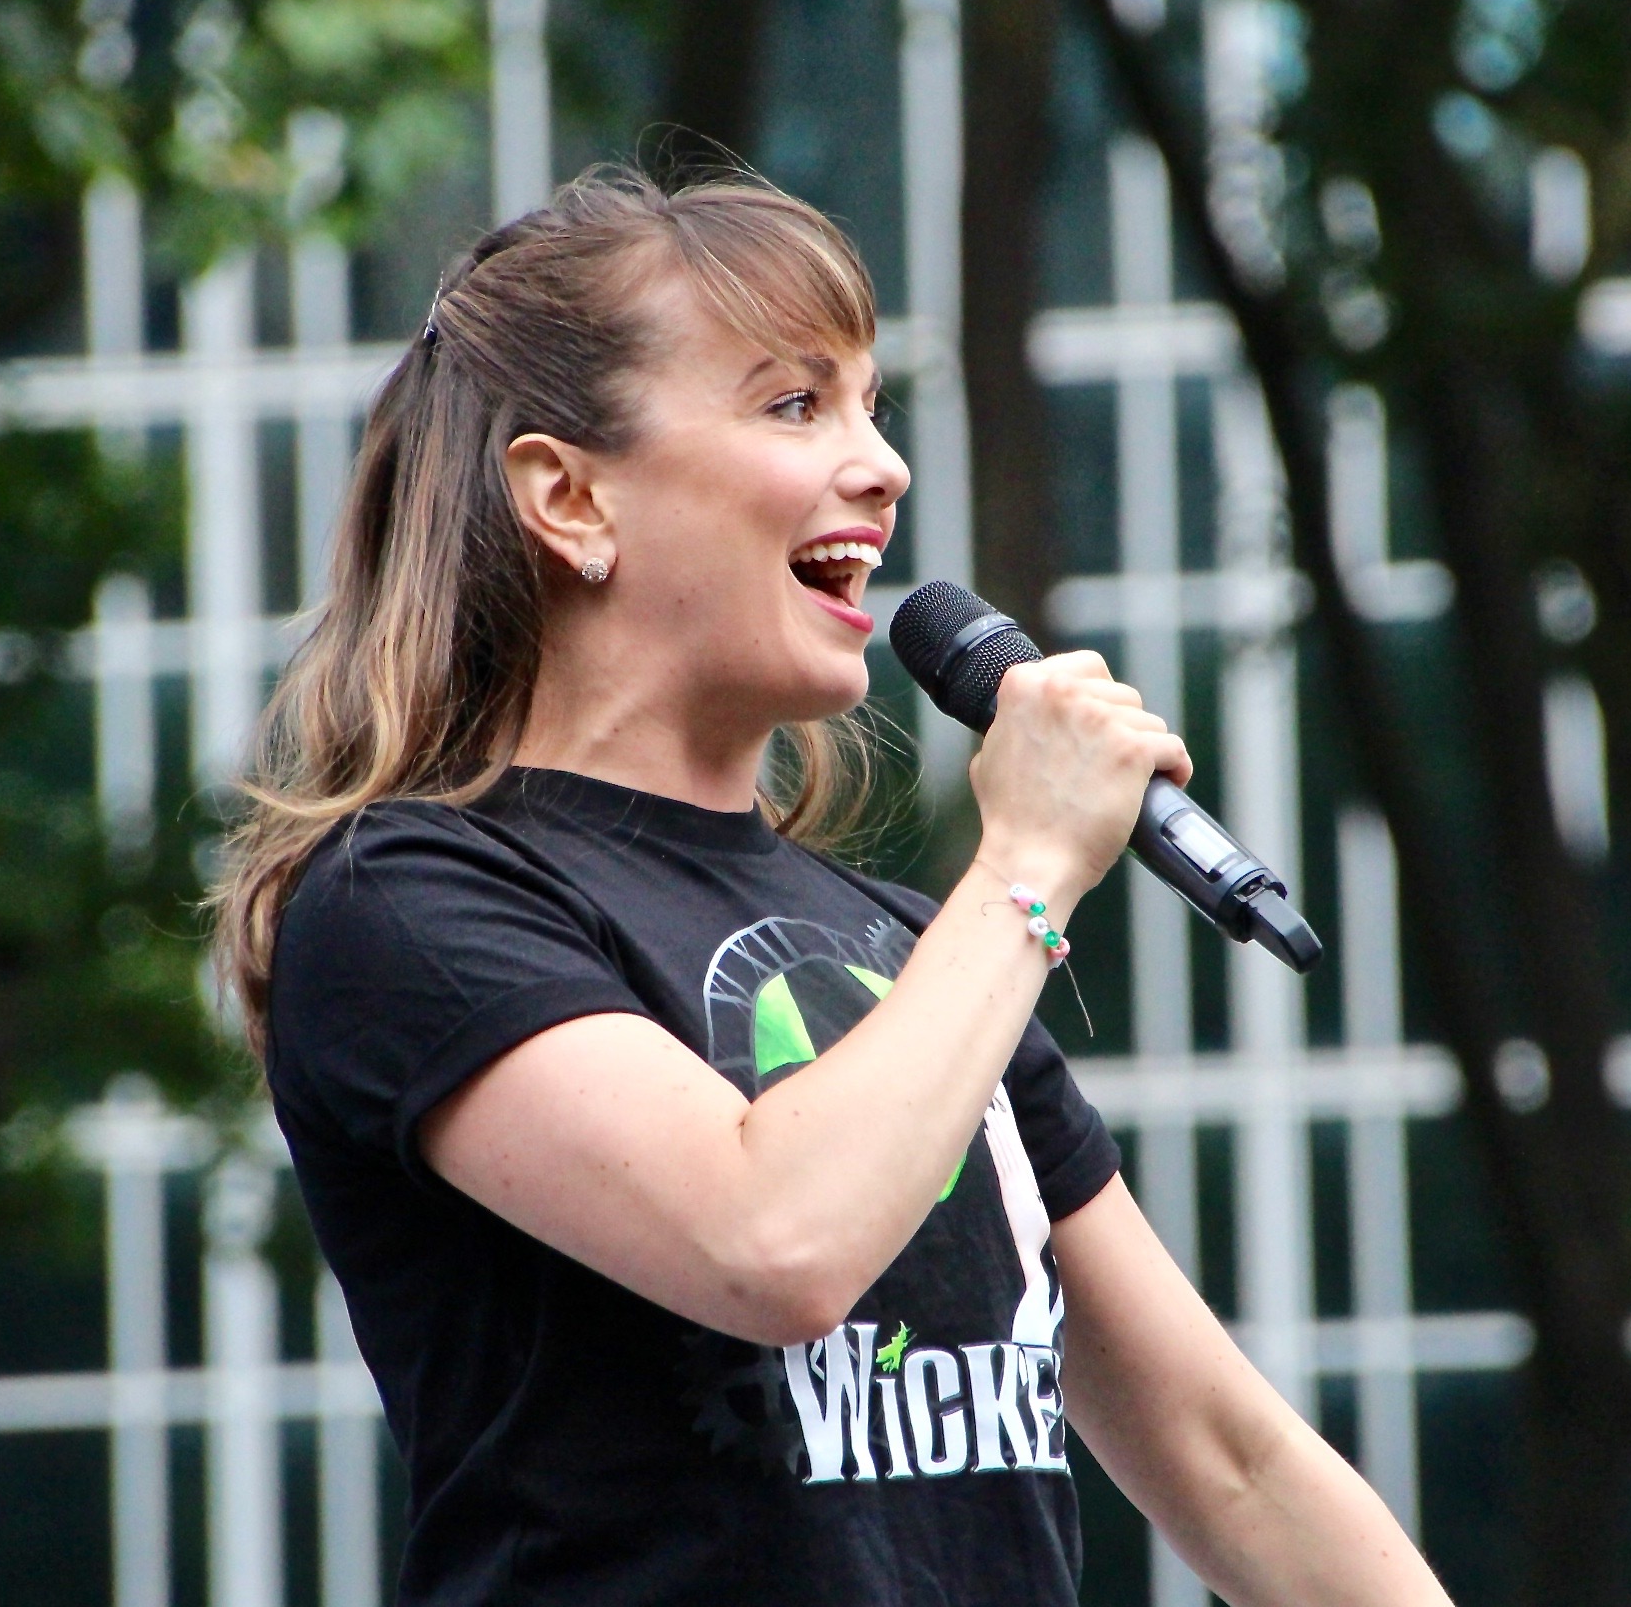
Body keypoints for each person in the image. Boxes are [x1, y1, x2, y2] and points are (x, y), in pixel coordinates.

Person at [215, 166, 1449, 1607]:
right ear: (567, 496)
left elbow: (1227, 1456)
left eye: (873, 406)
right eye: (796, 405)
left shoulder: (914, 947)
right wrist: (1030, 866)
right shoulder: (408, 899)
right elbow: (771, 1241)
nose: (883, 466)